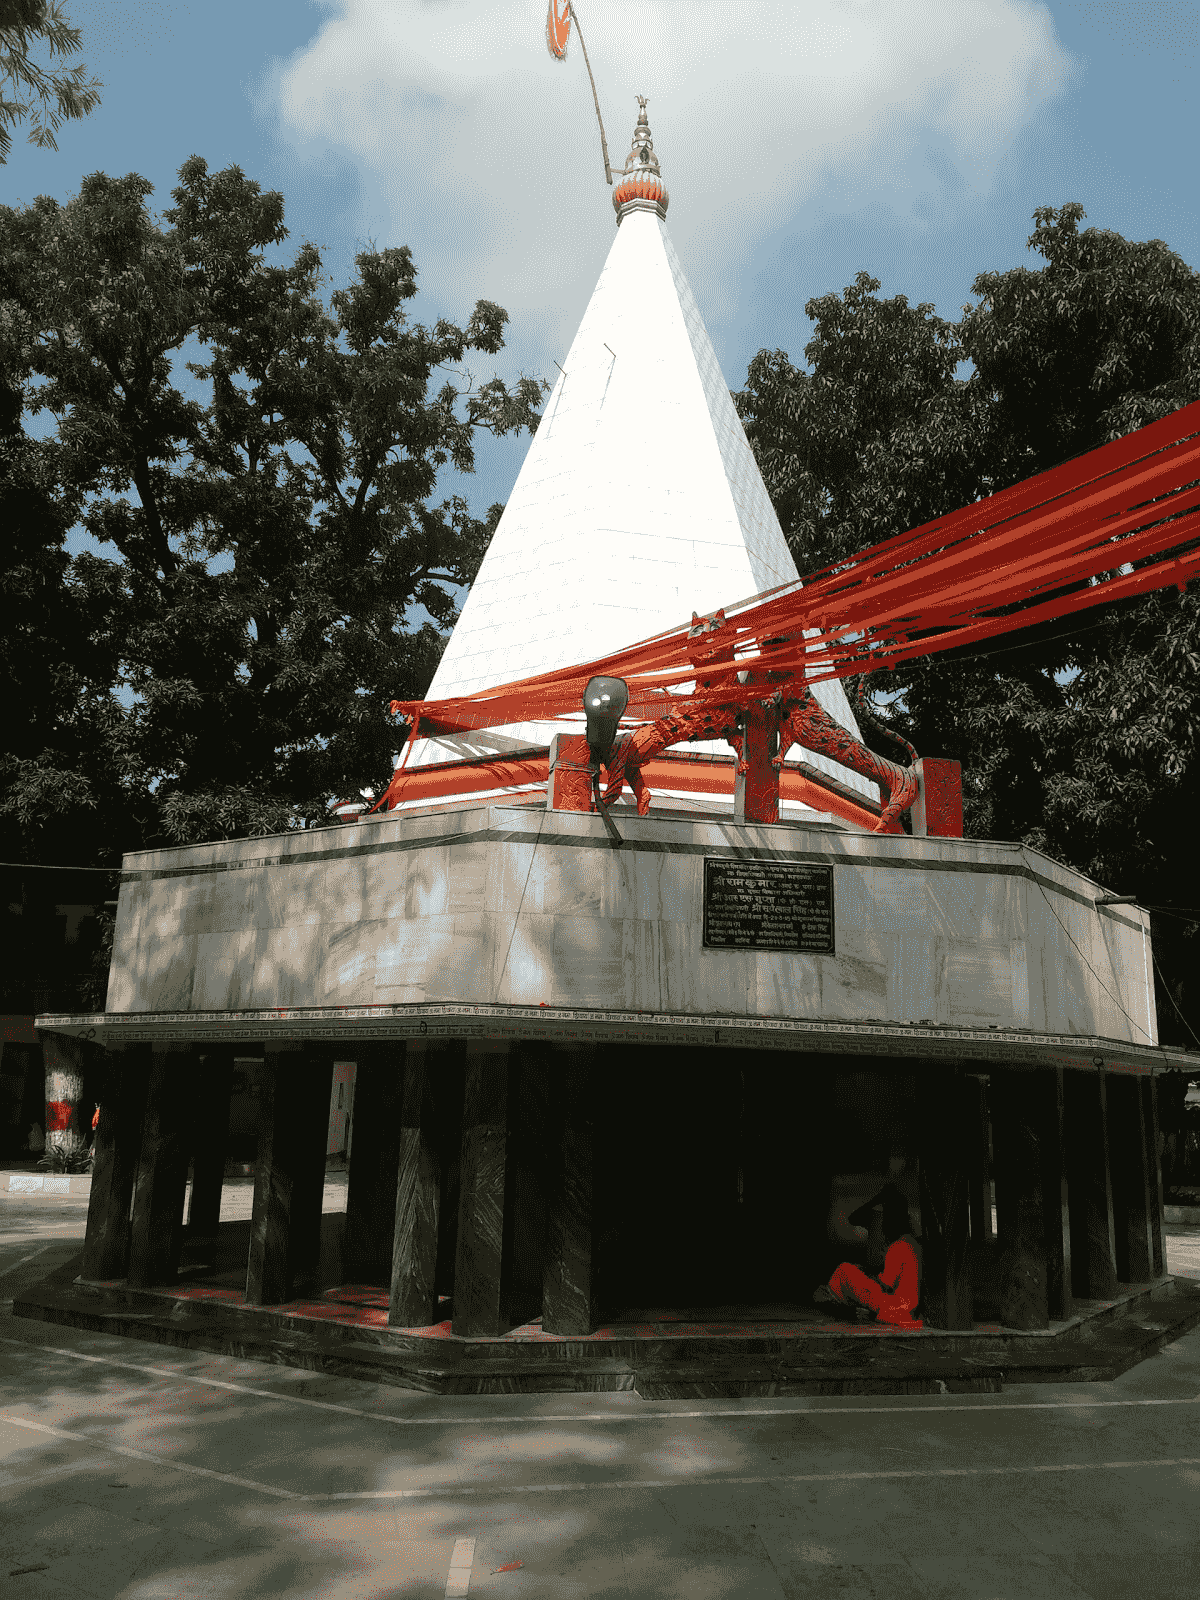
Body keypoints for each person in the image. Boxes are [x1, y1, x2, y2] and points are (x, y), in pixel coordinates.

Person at [813, 1182, 923, 1328]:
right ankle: (837, 1299)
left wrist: (864, 1276)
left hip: (893, 1309)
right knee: (852, 1274)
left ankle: (835, 1301)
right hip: (906, 1309)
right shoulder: (913, 1243)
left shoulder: (898, 1247)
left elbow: (884, 1286)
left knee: (844, 1270)